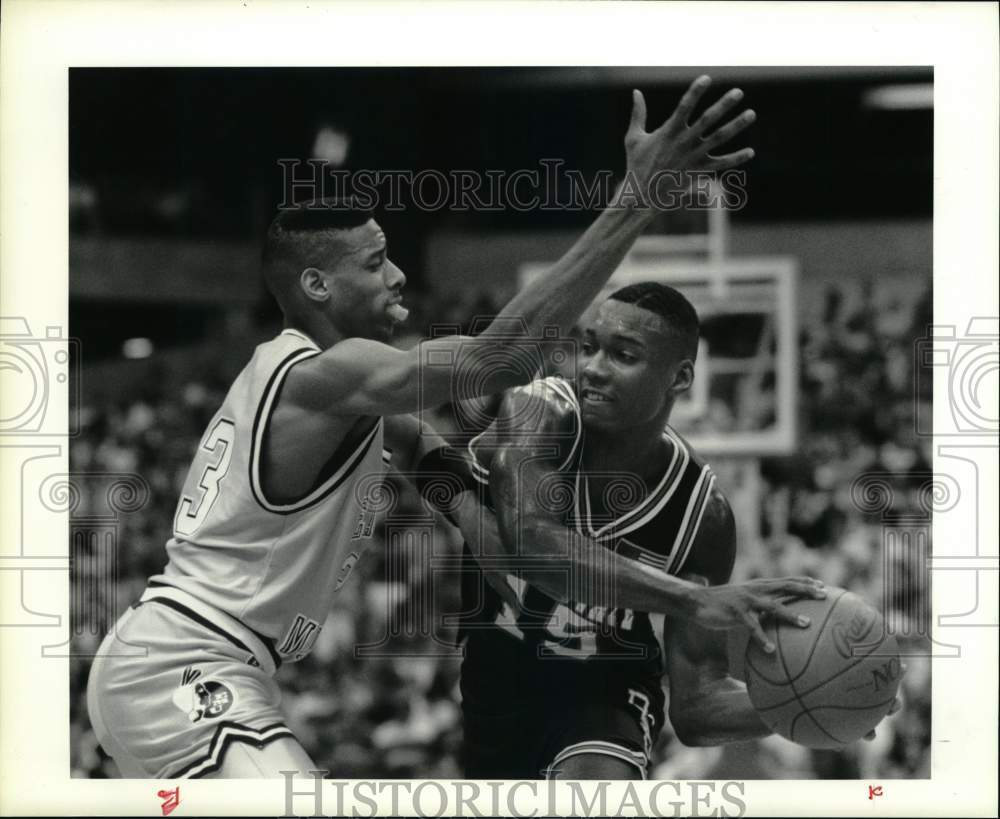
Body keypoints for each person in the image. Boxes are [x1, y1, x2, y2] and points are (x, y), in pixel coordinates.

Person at [85, 75, 793, 779]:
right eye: (375, 262)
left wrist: (470, 518)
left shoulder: (336, 394)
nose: (398, 275)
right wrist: (636, 201)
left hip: (201, 662)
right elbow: (500, 360)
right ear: (317, 288)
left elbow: (413, 440)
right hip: (185, 661)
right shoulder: (323, 372)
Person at [446, 282, 900, 780]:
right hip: (494, 686)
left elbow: (698, 707)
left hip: (605, 692)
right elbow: (534, 546)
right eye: (589, 346)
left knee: (594, 786)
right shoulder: (540, 411)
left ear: (680, 377)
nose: (593, 367)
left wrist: (818, 703)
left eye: (623, 355)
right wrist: (690, 598)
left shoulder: (702, 517)